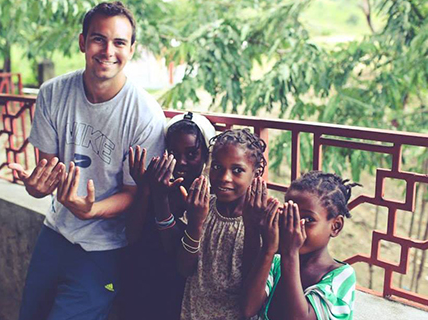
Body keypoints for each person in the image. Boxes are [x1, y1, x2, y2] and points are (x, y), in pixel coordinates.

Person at [9, 2, 166, 319]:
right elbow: (47, 171)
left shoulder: (146, 115)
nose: (108, 51)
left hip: (105, 247)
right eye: (99, 38)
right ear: (82, 42)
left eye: (119, 42)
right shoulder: (53, 93)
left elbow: (133, 193)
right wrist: (37, 188)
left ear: (131, 49)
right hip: (55, 231)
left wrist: (91, 209)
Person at [120, 111, 216, 320]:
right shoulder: (158, 183)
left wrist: (161, 199)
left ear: (206, 156)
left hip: (176, 294)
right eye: (173, 152)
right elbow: (132, 236)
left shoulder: (207, 199)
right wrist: (146, 188)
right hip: (142, 282)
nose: (180, 162)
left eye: (191, 154)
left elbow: (174, 253)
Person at [177, 128, 280, 320]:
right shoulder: (203, 207)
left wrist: (252, 227)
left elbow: (252, 286)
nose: (224, 177)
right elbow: (184, 268)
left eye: (237, 170)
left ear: (256, 173)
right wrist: (195, 223)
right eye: (217, 167)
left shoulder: (264, 220)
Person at [242, 171, 360, 320]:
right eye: (290, 215)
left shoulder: (342, 276)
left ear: (335, 226)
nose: (295, 226)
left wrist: (290, 253)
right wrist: (268, 249)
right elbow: (248, 309)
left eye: (308, 219)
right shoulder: (277, 262)